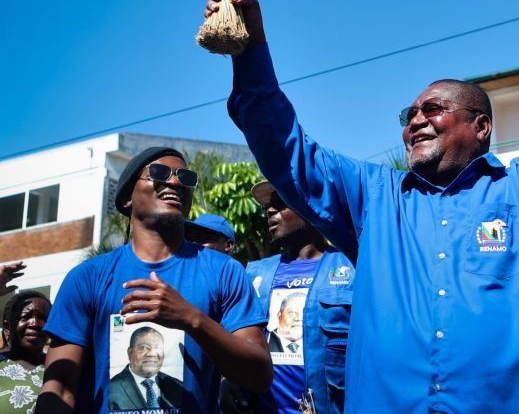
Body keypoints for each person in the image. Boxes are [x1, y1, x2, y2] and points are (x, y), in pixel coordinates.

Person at [206, 0, 519, 413]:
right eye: (410, 116)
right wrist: (250, 51)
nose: (416, 121)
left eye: (434, 109)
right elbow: (284, 149)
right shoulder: (373, 199)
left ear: (481, 127)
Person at [38, 147, 272, 414]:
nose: (173, 181)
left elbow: (260, 377)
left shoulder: (225, 272)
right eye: (158, 173)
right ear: (127, 198)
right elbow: (60, 388)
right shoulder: (87, 278)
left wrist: (192, 320)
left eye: (185, 177)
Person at [221, 181, 353, 414]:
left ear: (310, 206)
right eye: (266, 207)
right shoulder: (254, 273)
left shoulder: (350, 268)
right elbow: (234, 336)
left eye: (280, 203)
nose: (270, 211)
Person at [107, 326, 185, 410]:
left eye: (157, 348)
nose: (151, 354)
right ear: (130, 353)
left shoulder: (178, 386)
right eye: (143, 347)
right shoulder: (111, 390)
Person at [0, 290, 51, 413]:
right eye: (25, 317)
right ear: (7, 327)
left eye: (43, 318)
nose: (35, 323)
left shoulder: (58, 367)